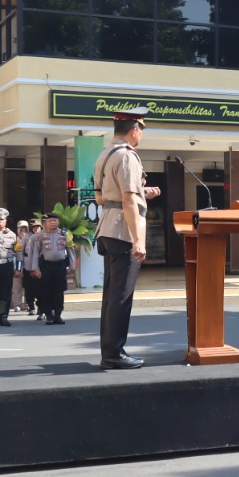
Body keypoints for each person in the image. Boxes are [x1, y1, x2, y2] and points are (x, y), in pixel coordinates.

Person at [94, 106, 157, 370]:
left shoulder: (105, 154)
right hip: (123, 232)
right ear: (134, 130)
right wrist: (138, 240)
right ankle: (114, 355)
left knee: (111, 295)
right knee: (121, 296)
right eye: (141, 130)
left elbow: (102, 197)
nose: (140, 135)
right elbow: (129, 199)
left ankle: (110, 351)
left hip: (108, 228)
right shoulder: (129, 157)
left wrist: (143, 192)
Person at [26, 213, 74, 325]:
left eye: (55, 220)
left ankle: (58, 314)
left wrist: (71, 266)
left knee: (59, 291)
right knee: (46, 291)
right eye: (50, 220)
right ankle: (49, 315)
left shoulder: (65, 234)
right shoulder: (40, 236)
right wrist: (35, 268)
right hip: (46, 267)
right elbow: (35, 253)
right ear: (45, 223)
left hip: (60, 266)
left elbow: (70, 250)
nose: (53, 222)